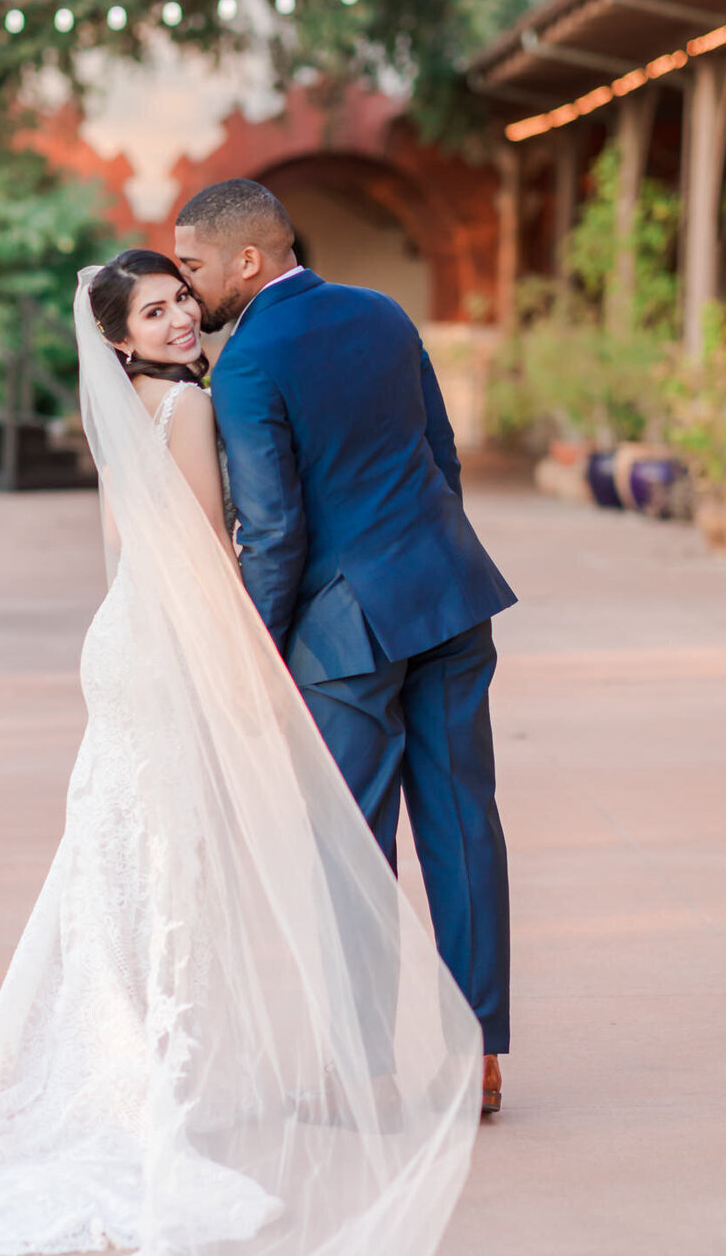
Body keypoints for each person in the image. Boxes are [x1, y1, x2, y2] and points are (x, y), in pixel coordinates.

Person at [0, 248, 481, 1256]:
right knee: (169, 858)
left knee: (122, 857)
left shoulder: (122, 407)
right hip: (165, 648)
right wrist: (257, 670)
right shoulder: (194, 404)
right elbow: (228, 556)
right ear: (121, 337)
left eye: (179, 299)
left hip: (122, 638)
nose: (177, 318)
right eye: (154, 310)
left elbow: (136, 551)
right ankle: (151, 1069)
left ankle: (131, 1051)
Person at [175, 180, 516, 1116]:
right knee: (463, 825)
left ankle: (362, 1072)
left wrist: (257, 649)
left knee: (352, 849)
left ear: (248, 260)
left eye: (196, 266)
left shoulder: (246, 364)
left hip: (343, 634)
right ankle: (478, 1057)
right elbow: (442, 458)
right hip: (449, 597)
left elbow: (275, 530)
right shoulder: (383, 312)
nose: (189, 286)